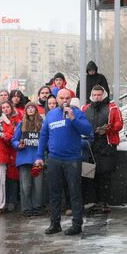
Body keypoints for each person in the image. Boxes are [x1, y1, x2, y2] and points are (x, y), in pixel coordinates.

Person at [38, 87, 93, 236]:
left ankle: (77, 224)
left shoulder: (77, 113)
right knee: (54, 193)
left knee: (74, 192)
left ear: (71, 99)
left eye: (67, 98)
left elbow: (87, 131)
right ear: (56, 99)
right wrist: (39, 156)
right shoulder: (51, 115)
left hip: (73, 159)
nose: (64, 101)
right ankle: (55, 223)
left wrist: (73, 118)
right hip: (54, 159)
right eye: (61, 98)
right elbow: (44, 136)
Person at [81, 83, 123, 214]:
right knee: (89, 175)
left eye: (99, 95)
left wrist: (108, 129)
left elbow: (119, 123)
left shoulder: (113, 108)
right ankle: (92, 201)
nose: (97, 97)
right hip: (90, 146)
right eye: (94, 95)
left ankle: (103, 202)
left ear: (103, 95)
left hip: (107, 146)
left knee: (104, 176)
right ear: (91, 95)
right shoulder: (85, 108)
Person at [13, 100, 44, 217]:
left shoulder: (42, 123)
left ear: (36, 110)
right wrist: (18, 145)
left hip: (38, 158)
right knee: (26, 186)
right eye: (28, 108)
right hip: (24, 158)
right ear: (25, 110)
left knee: (38, 186)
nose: (31, 110)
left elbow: (46, 139)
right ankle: (26, 208)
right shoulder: (21, 124)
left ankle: (37, 207)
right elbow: (14, 140)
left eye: (33, 108)